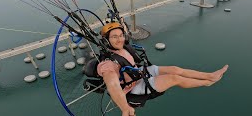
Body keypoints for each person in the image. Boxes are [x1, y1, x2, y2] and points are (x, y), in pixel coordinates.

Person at [97, 21, 229, 116]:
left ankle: (209, 76)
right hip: (135, 87)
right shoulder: (108, 64)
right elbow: (113, 85)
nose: (119, 39)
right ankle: (207, 83)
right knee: (174, 78)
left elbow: (124, 33)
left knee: (175, 69)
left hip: (140, 72)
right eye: (114, 37)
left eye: (121, 35)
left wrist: (120, 23)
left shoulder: (121, 46)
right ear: (106, 41)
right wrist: (125, 108)